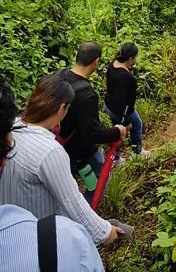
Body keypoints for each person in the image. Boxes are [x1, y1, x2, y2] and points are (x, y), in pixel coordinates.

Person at [0, 74, 108, 271]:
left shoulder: (9, 130)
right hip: (41, 244)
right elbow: (72, 203)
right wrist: (105, 232)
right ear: (62, 108)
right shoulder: (49, 151)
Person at [58, 42, 127, 203]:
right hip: (78, 149)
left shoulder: (59, 76)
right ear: (96, 62)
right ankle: (85, 214)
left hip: (56, 142)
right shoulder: (86, 93)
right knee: (99, 178)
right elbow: (92, 133)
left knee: (66, 186)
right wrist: (117, 131)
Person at [104, 43, 150, 164]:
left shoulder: (112, 65)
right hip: (120, 110)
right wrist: (125, 119)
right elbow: (129, 101)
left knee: (116, 131)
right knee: (137, 124)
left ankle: (116, 158)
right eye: (134, 59)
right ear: (130, 59)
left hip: (108, 105)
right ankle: (137, 153)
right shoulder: (128, 78)